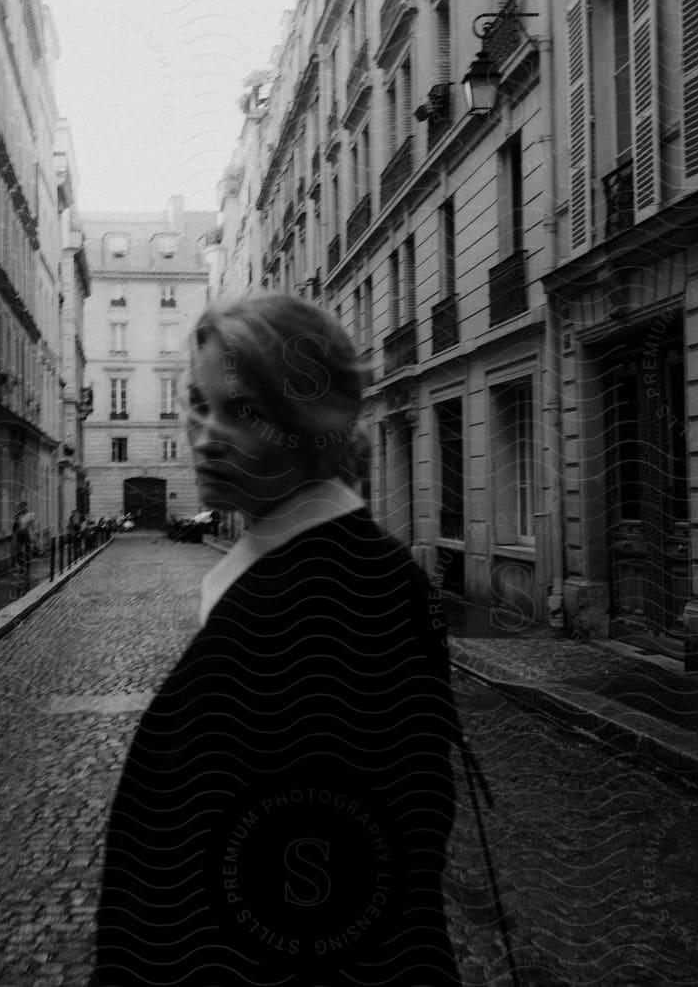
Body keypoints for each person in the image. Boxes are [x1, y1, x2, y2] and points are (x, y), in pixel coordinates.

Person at [93, 293, 467, 985]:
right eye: (199, 404)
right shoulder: (357, 565)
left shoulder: (307, 605)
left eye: (244, 410)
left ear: (312, 426)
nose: (205, 434)